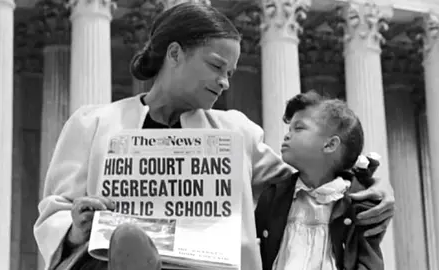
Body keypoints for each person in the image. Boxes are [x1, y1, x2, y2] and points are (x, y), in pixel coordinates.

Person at [34, 3, 395, 270]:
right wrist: (76, 228)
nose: (224, 82)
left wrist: (367, 185)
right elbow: (55, 214)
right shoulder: (93, 123)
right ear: (174, 53)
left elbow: (309, 183)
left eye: (231, 73)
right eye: (216, 66)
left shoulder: (237, 131)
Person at [255, 91, 385, 270]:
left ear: (330, 144)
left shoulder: (358, 204)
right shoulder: (272, 196)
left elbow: (369, 262)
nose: (287, 135)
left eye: (299, 128)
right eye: (289, 128)